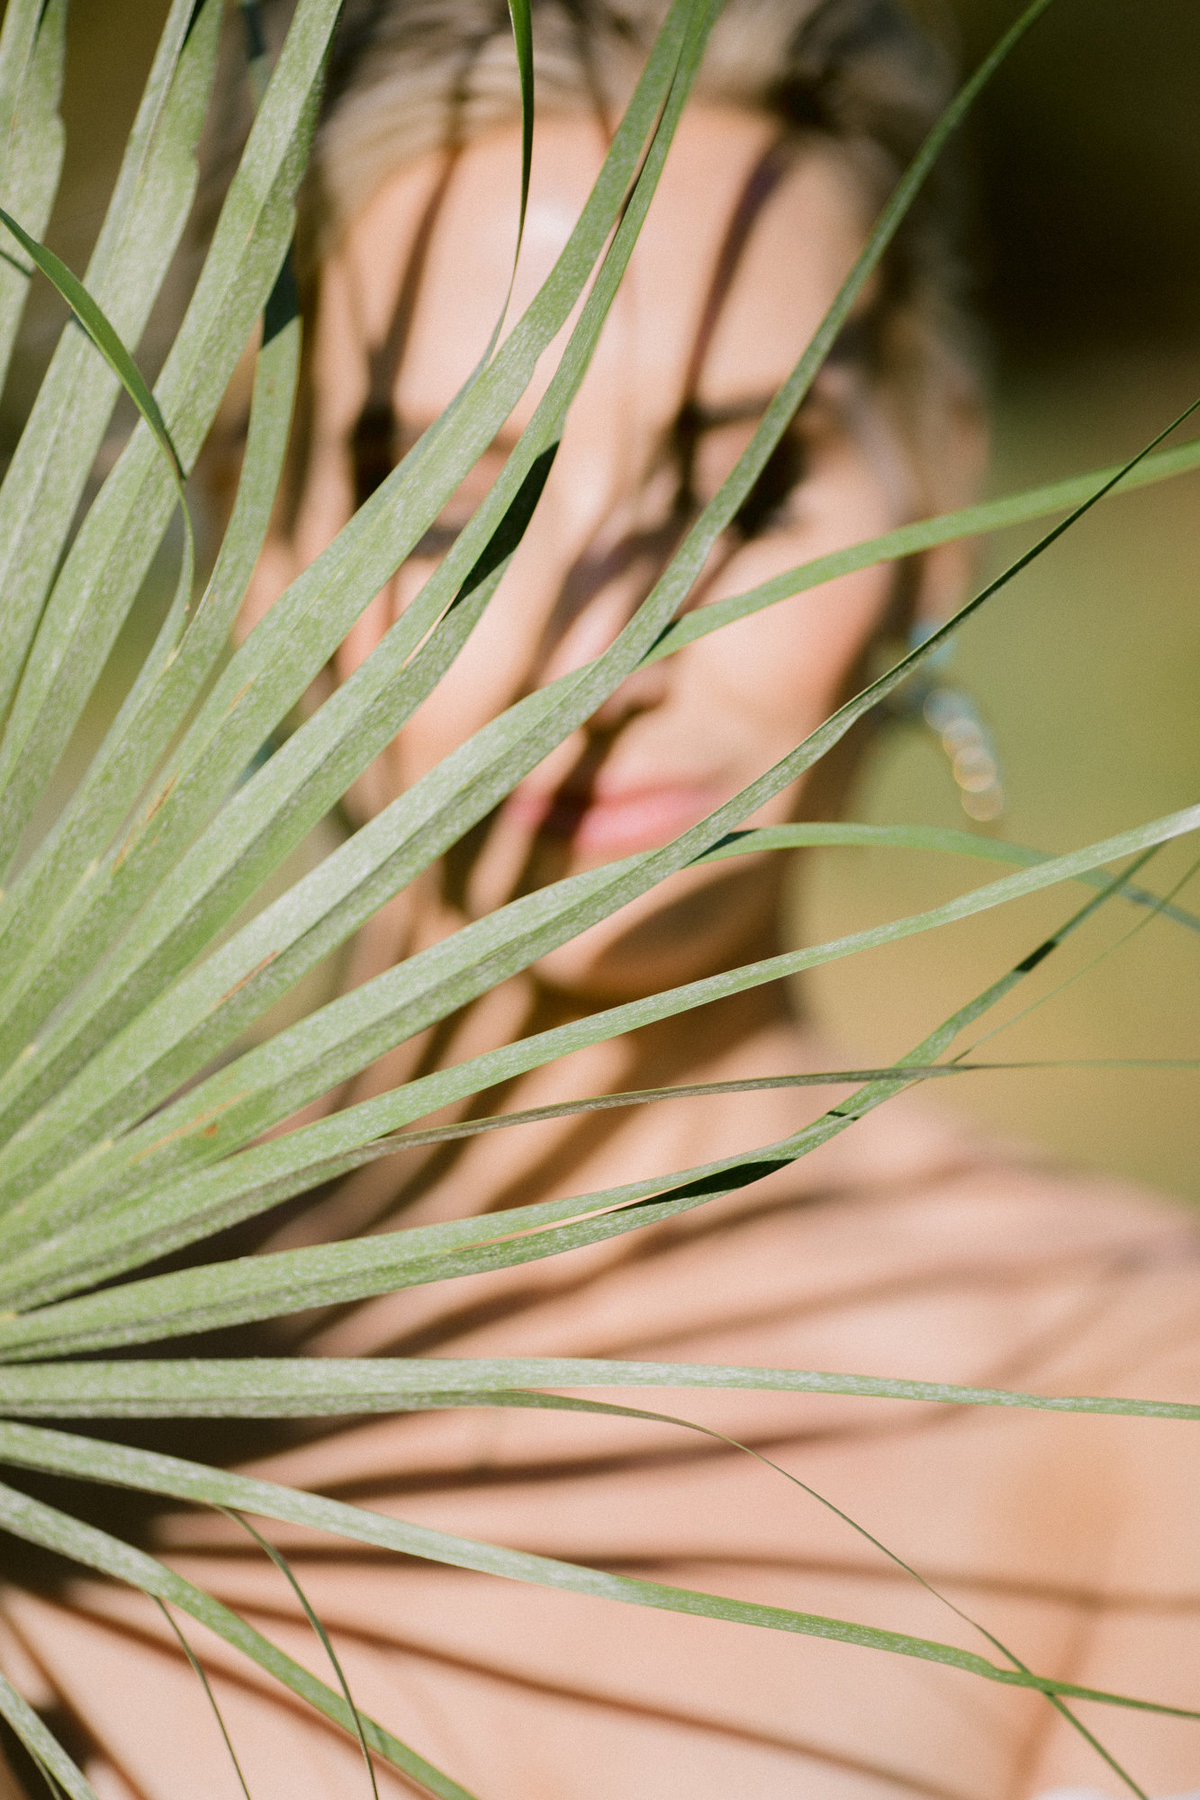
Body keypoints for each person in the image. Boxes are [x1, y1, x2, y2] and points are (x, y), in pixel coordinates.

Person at [3, 0, 1200, 1795]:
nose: (602, 644)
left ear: (935, 486)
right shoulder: (49, 1346)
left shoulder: (1118, 1393)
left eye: (745, 485)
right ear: (265, 543)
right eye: (454, 508)